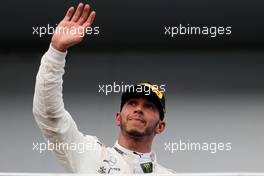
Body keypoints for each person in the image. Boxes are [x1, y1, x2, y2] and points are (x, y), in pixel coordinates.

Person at [33, 3, 175, 174]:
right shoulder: (89, 153)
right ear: (118, 118)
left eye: (149, 106)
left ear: (161, 126)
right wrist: (56, 52)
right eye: (132, 103)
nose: (138, 109)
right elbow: (50, 116)